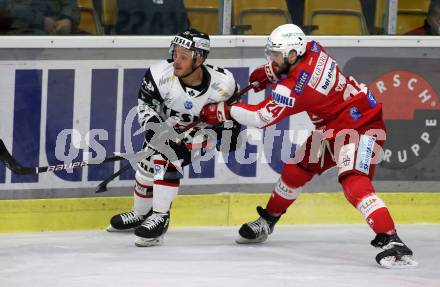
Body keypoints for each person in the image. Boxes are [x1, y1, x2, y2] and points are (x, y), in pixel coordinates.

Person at [200, 24, 417, 269]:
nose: (272, 58)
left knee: (353, 179)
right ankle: (268, 220)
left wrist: (224, 111)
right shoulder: (313, 48)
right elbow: (293, 68)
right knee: (295, 169)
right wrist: (270, 71)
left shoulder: (294, 88)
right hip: (333, 125)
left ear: (293, 54)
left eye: (276, 55)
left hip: (361, 126)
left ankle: (391, 240)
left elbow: (261, 117)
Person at [107, 28, 241, 247]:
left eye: (184, 57)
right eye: (175, 53)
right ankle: (141, 214)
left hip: (201, 135)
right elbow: (146, 108)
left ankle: (160, 217)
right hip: (164, 128)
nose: (176, 61)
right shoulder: (159, 75)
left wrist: (230, 131)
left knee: (166, 157)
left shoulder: (224, 83)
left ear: (200, 59)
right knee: (146, 168)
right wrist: (160, 134)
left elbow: (232, 114)